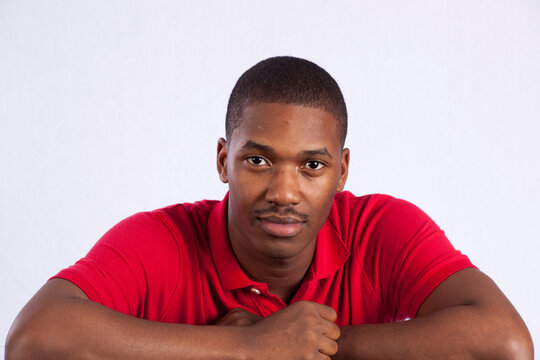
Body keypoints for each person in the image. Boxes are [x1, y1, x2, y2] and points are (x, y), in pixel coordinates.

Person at [6, 56, 533, 360]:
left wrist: (321, 346)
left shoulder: (382, 229)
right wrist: (245, 350)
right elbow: (35, 339)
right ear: (223, 160)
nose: (284, 192)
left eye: (311, 166)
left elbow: (506, 345)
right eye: (258, 160)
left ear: (342, 171)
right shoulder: (160, 239)